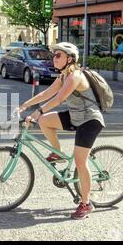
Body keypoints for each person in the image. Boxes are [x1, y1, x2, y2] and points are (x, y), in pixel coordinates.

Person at [18, 42, 105, 220]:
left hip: (89, 120)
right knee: (44, 121)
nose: (54, 58)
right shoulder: (63, 76)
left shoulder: (75, 76)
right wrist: (25, 105)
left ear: (70, 59)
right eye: (54, 55)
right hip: (75, 116)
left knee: (81, 162)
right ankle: (57, 153)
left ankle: (86, 203)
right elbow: (46, 94)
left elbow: (58, 99)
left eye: (58, 55)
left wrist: (36, 112)